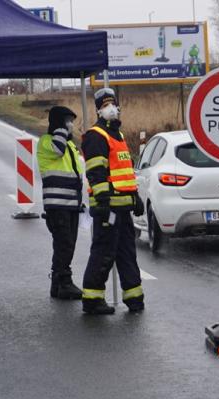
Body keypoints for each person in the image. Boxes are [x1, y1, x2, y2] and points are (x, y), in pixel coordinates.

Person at [81, 88, 145, 315]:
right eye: (105, 104)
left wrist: (135, 196)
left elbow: (125, 173)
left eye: (113, 104)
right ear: (98, 109)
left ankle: (135, 298)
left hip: (123, 208)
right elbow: (96, 173)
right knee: (103, 253)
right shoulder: (96, 135)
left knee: (127, 253)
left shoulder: (119, 136)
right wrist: (103, 200)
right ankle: (92, 298)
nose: (111, 108)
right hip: (108, 209)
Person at [37, 106, 84, 299]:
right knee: (64, 244)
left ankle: (57, 283)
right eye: (67, 121)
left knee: (67, 245)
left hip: (70, 203)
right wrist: (61, 130)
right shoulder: (47, 142)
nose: (70, 125)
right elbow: (58, 150)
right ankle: (64, 282)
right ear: (58, 123)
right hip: (57, 204)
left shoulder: (69, 145)